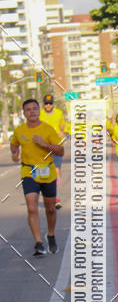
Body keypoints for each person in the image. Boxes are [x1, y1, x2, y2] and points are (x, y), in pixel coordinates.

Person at [10, 98, 64, 255]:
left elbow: (61, 151)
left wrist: (44, 144)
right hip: (28, 172)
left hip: (47, 172)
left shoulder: (48, 130)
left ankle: (51, 235)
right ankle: (39, 243)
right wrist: (15, 153)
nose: (32, 111)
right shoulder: (19, 131)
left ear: (39, 110)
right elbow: (14, 143)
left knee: (50, 209)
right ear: (24, 113)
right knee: (32, 207)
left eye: (34, 108)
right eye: (28, 109)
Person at [41, 94, 66, 209]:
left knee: (56, 171)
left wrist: (62, 131)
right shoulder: (40, 114)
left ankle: (56, 197)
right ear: (43, 104)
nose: (48, 105)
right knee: (45, 173)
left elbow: (62, 125)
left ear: (53, 104)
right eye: (46, 103)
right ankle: (48, 196)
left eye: (50, 103)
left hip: (56, 145)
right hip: (43, 147)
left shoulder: (59, 113)